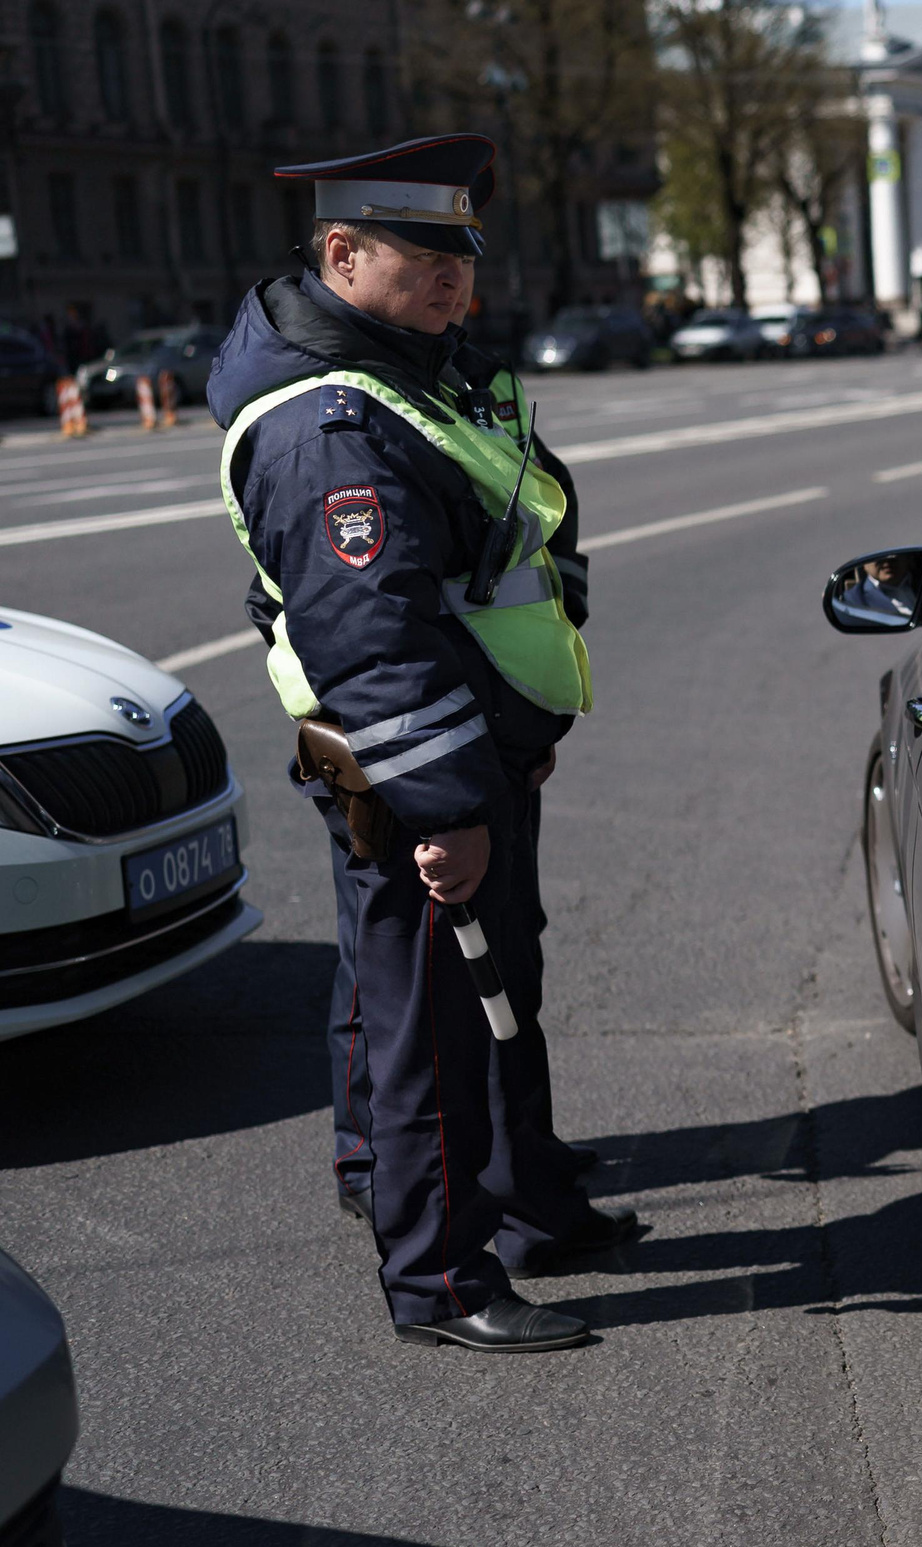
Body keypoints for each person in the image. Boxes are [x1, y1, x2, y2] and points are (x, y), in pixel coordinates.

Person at [208, 134, 638, 1354]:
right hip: (414, 770)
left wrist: (526, 725)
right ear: (342, 254)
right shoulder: (330, 425)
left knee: (473, 992)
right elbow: (374, 639)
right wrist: (447, 805)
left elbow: (526, 530)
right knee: (434, 1027)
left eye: (463, 253)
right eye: (424, 253)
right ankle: (442, 1280)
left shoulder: (415, 371)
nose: (455, 277)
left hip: (476, 747)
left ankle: (523, 1196)